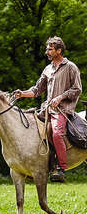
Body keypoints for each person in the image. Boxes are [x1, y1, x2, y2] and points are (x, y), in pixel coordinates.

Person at [14, 36, 82, 183]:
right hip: (46, 110)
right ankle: (39, 163)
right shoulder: (47, 69)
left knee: (57, 133)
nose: (46, 52)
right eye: (47, 49)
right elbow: (37, 90)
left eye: (50, 49)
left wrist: (60, 98)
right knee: (31, 129)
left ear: (59, 50)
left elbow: (77, 89)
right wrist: (23, 94)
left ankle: (61, 168)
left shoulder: (70, 67)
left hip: (63, 110)